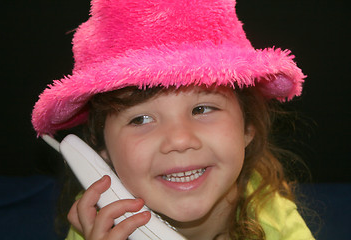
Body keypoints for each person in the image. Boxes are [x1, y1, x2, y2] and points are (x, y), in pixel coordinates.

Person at [32, 0, 314, 239]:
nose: (179, 140)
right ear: (101, 149)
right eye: (141, 119)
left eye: (202, 109)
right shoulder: (98, 219)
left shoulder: (274, 219)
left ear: (248, 127)